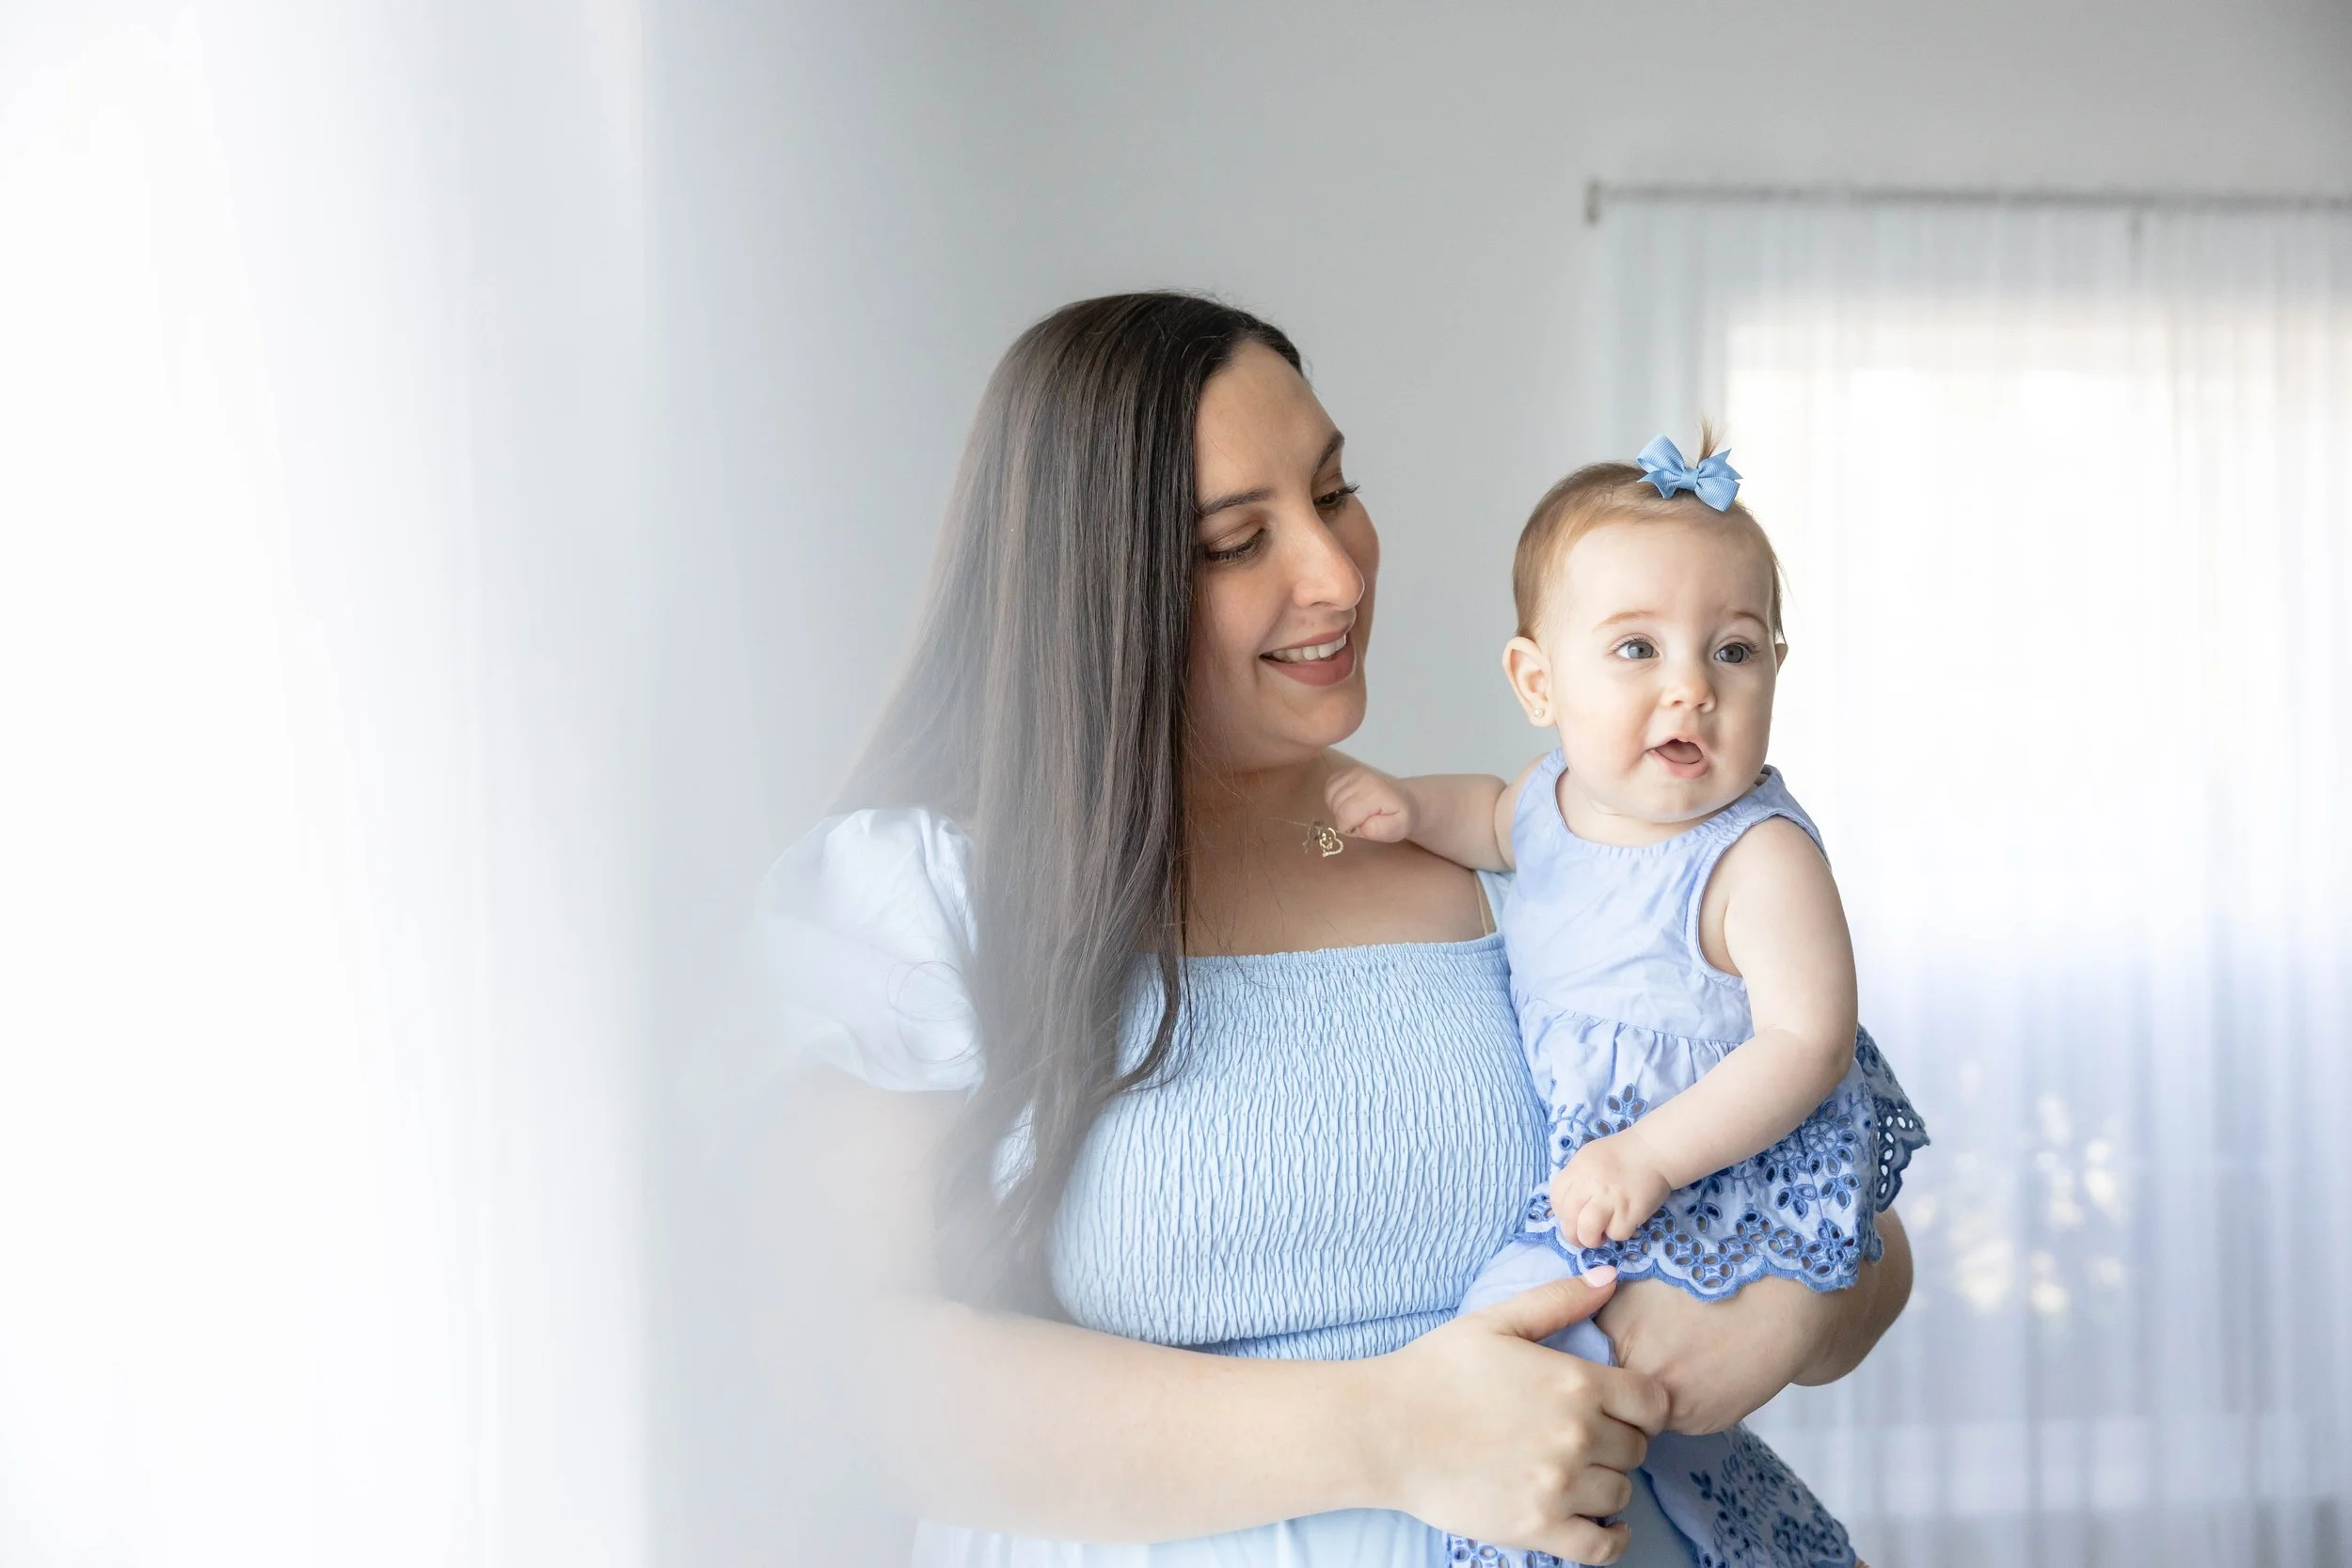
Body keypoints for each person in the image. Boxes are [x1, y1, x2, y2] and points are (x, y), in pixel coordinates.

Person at [754, 293, 1914, 1566]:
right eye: (1239, 539)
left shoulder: (1521, 847)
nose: (1339, 571)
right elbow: (858, 1372)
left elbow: (1839, 1198)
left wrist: (1796, 1309)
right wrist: (1385, 1430)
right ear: (1100, 583)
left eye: (1334, 488)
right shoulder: (935, 896)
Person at [1323, 438, 1930, 1566]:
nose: (1690, 684)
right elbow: (1490, 818)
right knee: (1561, 1367)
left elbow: (1807, 1040)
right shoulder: (1550, 802)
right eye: (1637, 647)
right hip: (1610, 1166)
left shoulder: (1754, 855)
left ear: (1777, 671)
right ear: (1537, 682)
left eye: (1733, 649)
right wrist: (1406, 803)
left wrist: (1651, 1154)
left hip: (1725, 1150)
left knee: (1552, 1338)